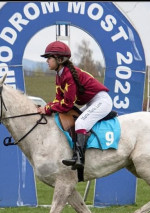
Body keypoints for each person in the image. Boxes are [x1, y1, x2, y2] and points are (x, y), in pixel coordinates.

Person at [36, 41, 111, 170]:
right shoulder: (59, 75)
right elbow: (58, 99)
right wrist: (47, 108)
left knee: (81, 123)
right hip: (92, 102)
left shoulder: (68, 75)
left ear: (59, 59)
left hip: (101, 101)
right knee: (74, 120)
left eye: (49, 57)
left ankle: (79, 158)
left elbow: (66, 104)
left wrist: (47, 108)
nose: (47, 60)